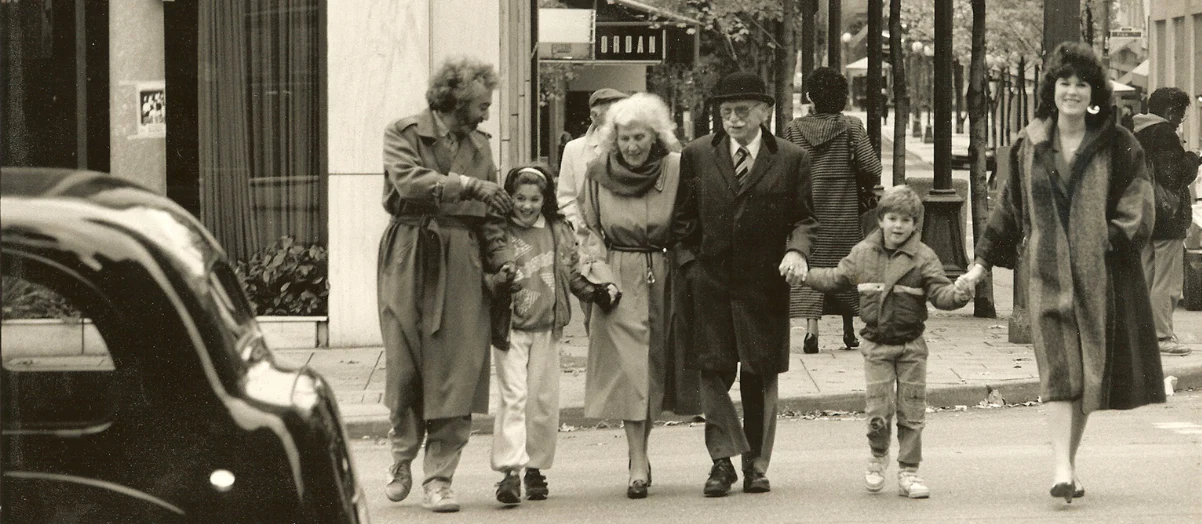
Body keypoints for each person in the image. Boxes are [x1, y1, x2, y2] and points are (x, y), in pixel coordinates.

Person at [957, 42, 1164, 503]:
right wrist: (980, 263)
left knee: (1087, 376)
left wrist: (1105, 239)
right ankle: (1061, 466)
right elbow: (1007, 210)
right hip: (1045, 275)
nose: (1072, 91)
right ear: (1052, 89)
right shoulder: (1026, 145)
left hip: (1101, 278)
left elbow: (1140, 208)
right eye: (1064, 82)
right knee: (1058, 372)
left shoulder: (1118, 143)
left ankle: (1067, 464)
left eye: (1082, 83)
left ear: (1094, 92)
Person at [377, 56, 514, 513]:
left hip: (463, 261)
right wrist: (470, 185)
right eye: (481, 105)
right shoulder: (404, 132)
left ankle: (439, 478)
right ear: (455, 101)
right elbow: (410, 183)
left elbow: (493, 218)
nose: (486, 114)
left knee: (457, 371)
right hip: (410, 251)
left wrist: (502, 263)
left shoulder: (481, 144)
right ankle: (401, 457)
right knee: (404, 369)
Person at [672, 72, 818, 497]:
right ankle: (721, 462)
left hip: (763, 287)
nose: (732, 120)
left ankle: (756, 464)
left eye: (740, 111)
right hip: (710, 283)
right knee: (712, 373)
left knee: (760, 375)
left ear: (765, 112)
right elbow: (683, 222)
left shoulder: (791, 158)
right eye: (725, 112)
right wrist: (691, 267)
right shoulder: (697, 154)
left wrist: (797, 251)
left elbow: (804, 218)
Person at [803, 185, 972, 499]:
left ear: (914, 224)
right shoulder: (862, 254)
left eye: (905, 220)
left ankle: (909, 471)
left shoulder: (924, 258)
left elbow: (941, 295)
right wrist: (803, 275)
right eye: (892, 218)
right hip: (877, 346)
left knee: (912, 411)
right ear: (880, 219)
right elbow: (835, 278)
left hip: (911, 346)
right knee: (878, 412)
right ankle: (878, 455)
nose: (898, 225)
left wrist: (960, 293)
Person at [578, 92, 700, 499]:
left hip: (663, 275)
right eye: (626, 137)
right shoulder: (597, 173)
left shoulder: (676, 168)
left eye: (640, 138)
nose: (632, 146)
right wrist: (601, 279)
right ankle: (638, 461)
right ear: (614, 138)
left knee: (653, 369)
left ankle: (641, 453)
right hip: (617, 277)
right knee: (631, 371)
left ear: (656, 137)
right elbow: (588, 234)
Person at [485, 164, 608, 505]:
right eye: (519, 198)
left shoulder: (557, 229)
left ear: (546, 199)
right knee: (514, 397)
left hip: (547, 328)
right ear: (509, 197)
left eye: (534, 199)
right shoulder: (499, 230)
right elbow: (487, 273)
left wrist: (595, 291)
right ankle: (510, 472)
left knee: (542, 401)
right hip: (510, 327)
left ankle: (535, 468)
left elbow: (572, 270)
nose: (526, 205)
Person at [785, 67, 882, 354]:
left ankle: (811, 331)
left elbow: (787, 170)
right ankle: (848, 331)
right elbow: (872, 168)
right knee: (844, 265)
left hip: (808, 211)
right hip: (843, 210)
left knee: (812, 264)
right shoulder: (851, 126)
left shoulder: (793, 129)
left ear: (811, 96)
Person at [1133, 87, 1200, 356]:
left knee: (1148, 276)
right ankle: (1161, 336)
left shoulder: (1138, 131)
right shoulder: (1164, 134)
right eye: (1181, 114)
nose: (1181, 119)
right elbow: (1174, 175)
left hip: (1144, 215)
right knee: (1168, 280)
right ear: (1171, 111)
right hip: (1167, 217)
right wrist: (1192, 158)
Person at [558, 88, 630, 232]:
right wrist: (584, 230)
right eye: (613, 113)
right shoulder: (574, 149)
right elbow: (566, 198)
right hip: (587, 239)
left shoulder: (632, 148)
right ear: (594, 116)